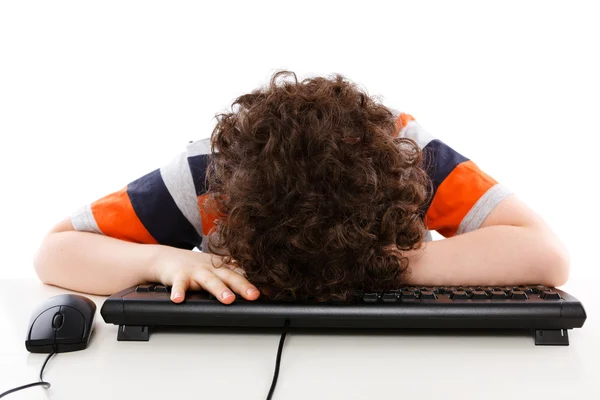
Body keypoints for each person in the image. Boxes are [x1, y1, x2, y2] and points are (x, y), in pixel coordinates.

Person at [33, 71, 570, 304]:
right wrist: (164, 262)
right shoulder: (210, 172)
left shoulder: (408, 155)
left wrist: (384, 264)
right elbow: (56, 252)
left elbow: (545, 254)